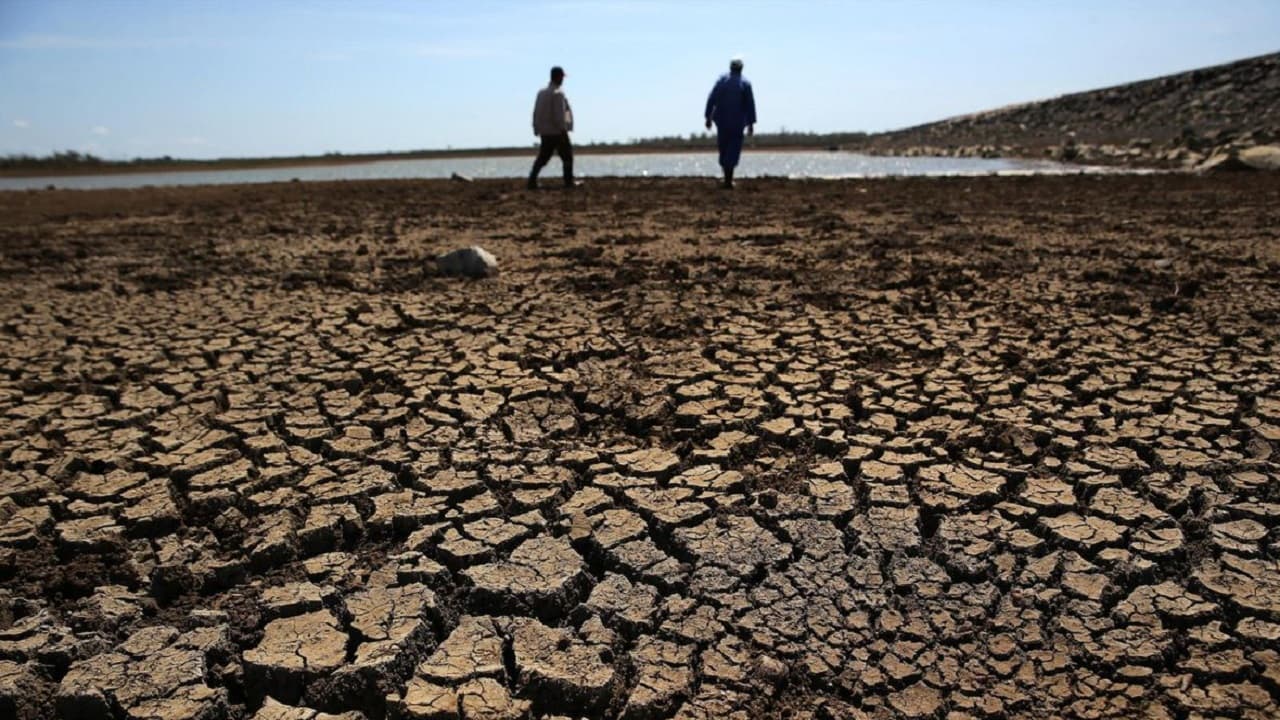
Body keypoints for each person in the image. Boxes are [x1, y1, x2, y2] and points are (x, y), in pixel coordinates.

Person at [704, 57, 756, 189]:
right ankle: (728, 180)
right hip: (737, 123)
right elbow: (750, 105)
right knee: (733, 150)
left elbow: (711, 98)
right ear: (741, 68)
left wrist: (708, 117)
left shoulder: (722, 81)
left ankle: (727, 178)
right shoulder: (745, 83)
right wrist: (750, 124)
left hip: (722, 121)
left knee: (724, 148)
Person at [528, 66, 577, 190]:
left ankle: (532, 180)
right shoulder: (558, 94)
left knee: (543, 157)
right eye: (562, 77)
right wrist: (563, 128)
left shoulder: (541, 93)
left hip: (545, 131)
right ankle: (568, 182)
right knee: (567, 156)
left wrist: (536, 127)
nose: (563, 80)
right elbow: (559, 114)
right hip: (557, 131)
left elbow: (536, 112)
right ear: (558, 77)